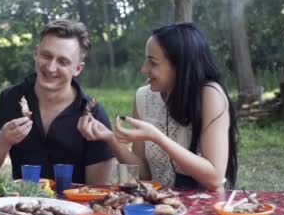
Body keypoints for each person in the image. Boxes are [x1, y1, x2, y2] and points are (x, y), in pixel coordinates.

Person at [77, 22, 238, 191]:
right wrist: (110, 138)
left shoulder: (210, 95)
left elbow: (214, 178)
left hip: (203, 209)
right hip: (159, 207)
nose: (144, 69)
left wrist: (157, 137)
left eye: (153, 62)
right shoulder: (143, 97)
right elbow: (144, 175)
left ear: (180, 65)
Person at [0, 19, 114, 185]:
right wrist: (3, 140)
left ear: (78, 69)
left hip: (74, 208)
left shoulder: (94, 114)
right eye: (46, 56)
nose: (50, 67)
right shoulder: (10, 98)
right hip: (22, 206)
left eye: (63, 61)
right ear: (36, 53)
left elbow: (98, 191)